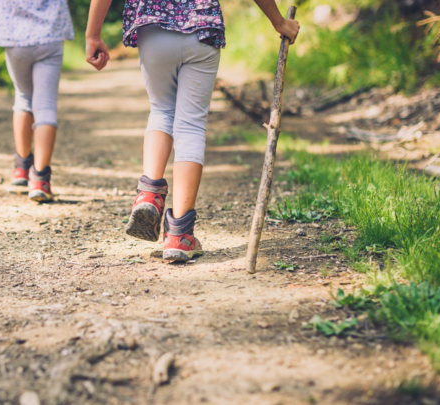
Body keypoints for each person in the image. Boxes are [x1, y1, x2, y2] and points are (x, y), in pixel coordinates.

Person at [85, 0, 299, 261]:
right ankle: (179, 235)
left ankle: (149, 195)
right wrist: (279, 21)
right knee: (191, 124)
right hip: (202, 29)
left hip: (153, 29)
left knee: (162, 110)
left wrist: (93, 35)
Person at [0, 0, 74, 202]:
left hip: (14, 34)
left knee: (23, 96)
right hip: (50, 33)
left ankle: (22, 170)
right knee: (46, 104)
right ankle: (40, 179)